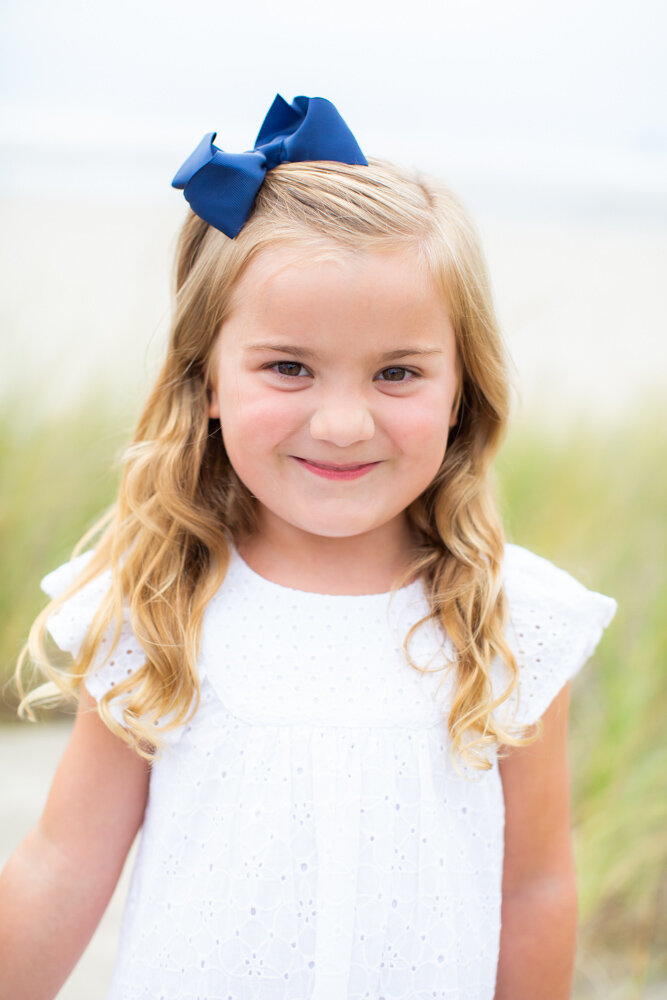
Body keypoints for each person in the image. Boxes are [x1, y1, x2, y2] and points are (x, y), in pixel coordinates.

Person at [0, 95, 616, 1000]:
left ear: (460, 392)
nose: (341, 422)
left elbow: (530, 889)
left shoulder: (512, 620)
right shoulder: (160, 601)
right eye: (288, 367)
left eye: (397, 372)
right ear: (206, 379)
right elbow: (62, 866)